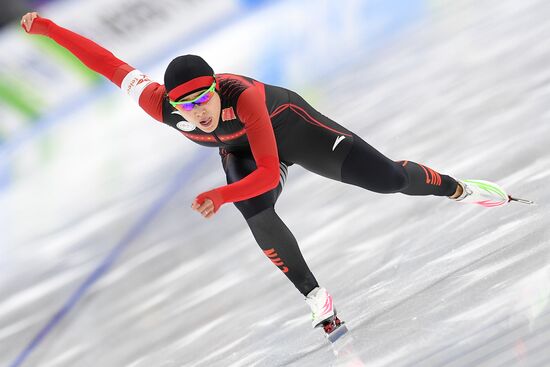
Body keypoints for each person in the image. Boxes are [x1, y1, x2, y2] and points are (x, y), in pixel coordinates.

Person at [20, 12, 515, 336]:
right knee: (255, 214)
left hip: (296, 132)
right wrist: (45, 27)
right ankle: (316, 297)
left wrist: (221, 191)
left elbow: (259, 172)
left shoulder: (246, 96)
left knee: (385, 179)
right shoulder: (161, 105)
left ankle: (459, 188)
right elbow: (104, 61)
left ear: (217, 87)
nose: (197, 113)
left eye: (202, 98)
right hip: (244, 153)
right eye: (185, 106)